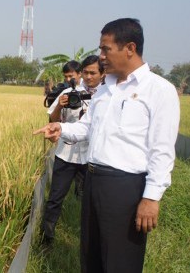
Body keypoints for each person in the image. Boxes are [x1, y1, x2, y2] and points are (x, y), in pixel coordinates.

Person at [34, 18, 180, 272]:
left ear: (130, 48)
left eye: (106, 49)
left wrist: (151, 197)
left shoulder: (158, 90)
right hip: (93, 181)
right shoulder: (104, 89)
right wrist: (62, 128)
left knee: (120, 260)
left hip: (125, 187)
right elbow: (88, 127)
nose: (101, 56)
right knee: (91, 255)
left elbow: (162, 149)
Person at [40, 58, 104, 245]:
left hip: (91, 157)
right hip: (66, 154)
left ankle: (87, 239)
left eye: (93, 73)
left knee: (90, 201)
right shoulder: (69, 92)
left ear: (102, 74)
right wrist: (60, 104)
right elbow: (53, 118)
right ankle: (47, 239)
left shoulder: (105, 95)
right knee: (55, 198)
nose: (89, 76)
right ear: (81, 73)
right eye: (86, 72)